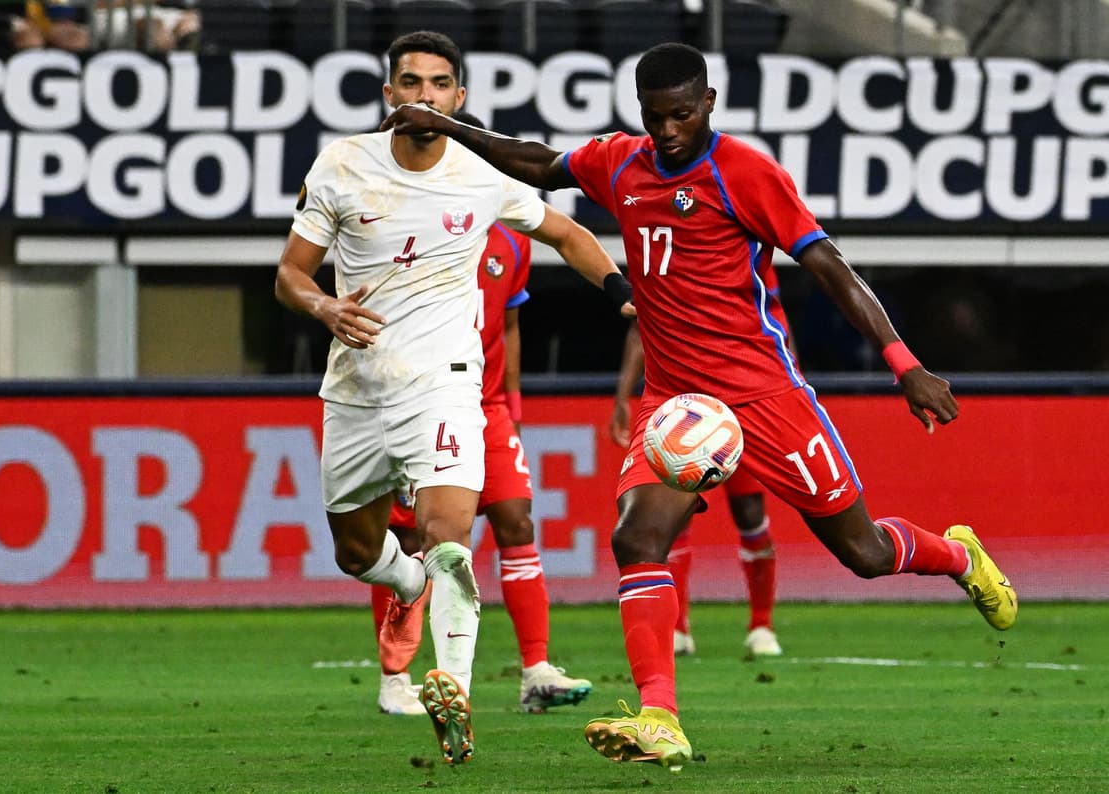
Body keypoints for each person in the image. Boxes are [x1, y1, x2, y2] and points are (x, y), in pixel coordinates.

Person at [382, 41, 1018, 774]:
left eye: (682, 115)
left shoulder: (745, 173)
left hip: (766, 396)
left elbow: (828, 267)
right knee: (636, 539)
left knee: (864, 553)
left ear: (708, 103)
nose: (668, 132)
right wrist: (451, 125)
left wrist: (903, 363)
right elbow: (539, 160)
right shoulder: (622, 162)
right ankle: (661, 716)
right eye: (655, 118)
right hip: (676, 403)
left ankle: (957, 555)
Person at [274, 31, 632, 766]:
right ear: (389, 95)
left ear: (458, 99)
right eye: (410, 82)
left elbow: (565, 231)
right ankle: (406, 585)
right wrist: (323, 309)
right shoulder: (342, 165)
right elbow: (289, 275)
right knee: (355, 553)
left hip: (445, 383)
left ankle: (454, 689)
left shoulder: (481, 173)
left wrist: (626, 295)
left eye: (439, 84)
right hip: (354, 391)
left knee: (448, 537)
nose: (424, 96)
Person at [372, 110, 595, 719]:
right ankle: (397, 678)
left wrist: (513, 405)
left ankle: (536, 670)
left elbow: (511, 324)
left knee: (517, 519)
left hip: (488, 405)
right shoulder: (402, 229)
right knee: (413, 538)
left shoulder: (512, 239)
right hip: (417, 401)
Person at [610, 321, 782, 659]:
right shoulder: (657, 270)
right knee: (673, 520)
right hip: (679, 414)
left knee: (750, 513)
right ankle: (677, 628)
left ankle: (762, 625)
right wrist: (622, 395)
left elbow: (777, 330)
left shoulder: (746, 274)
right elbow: (639, 329)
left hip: (740, 407)